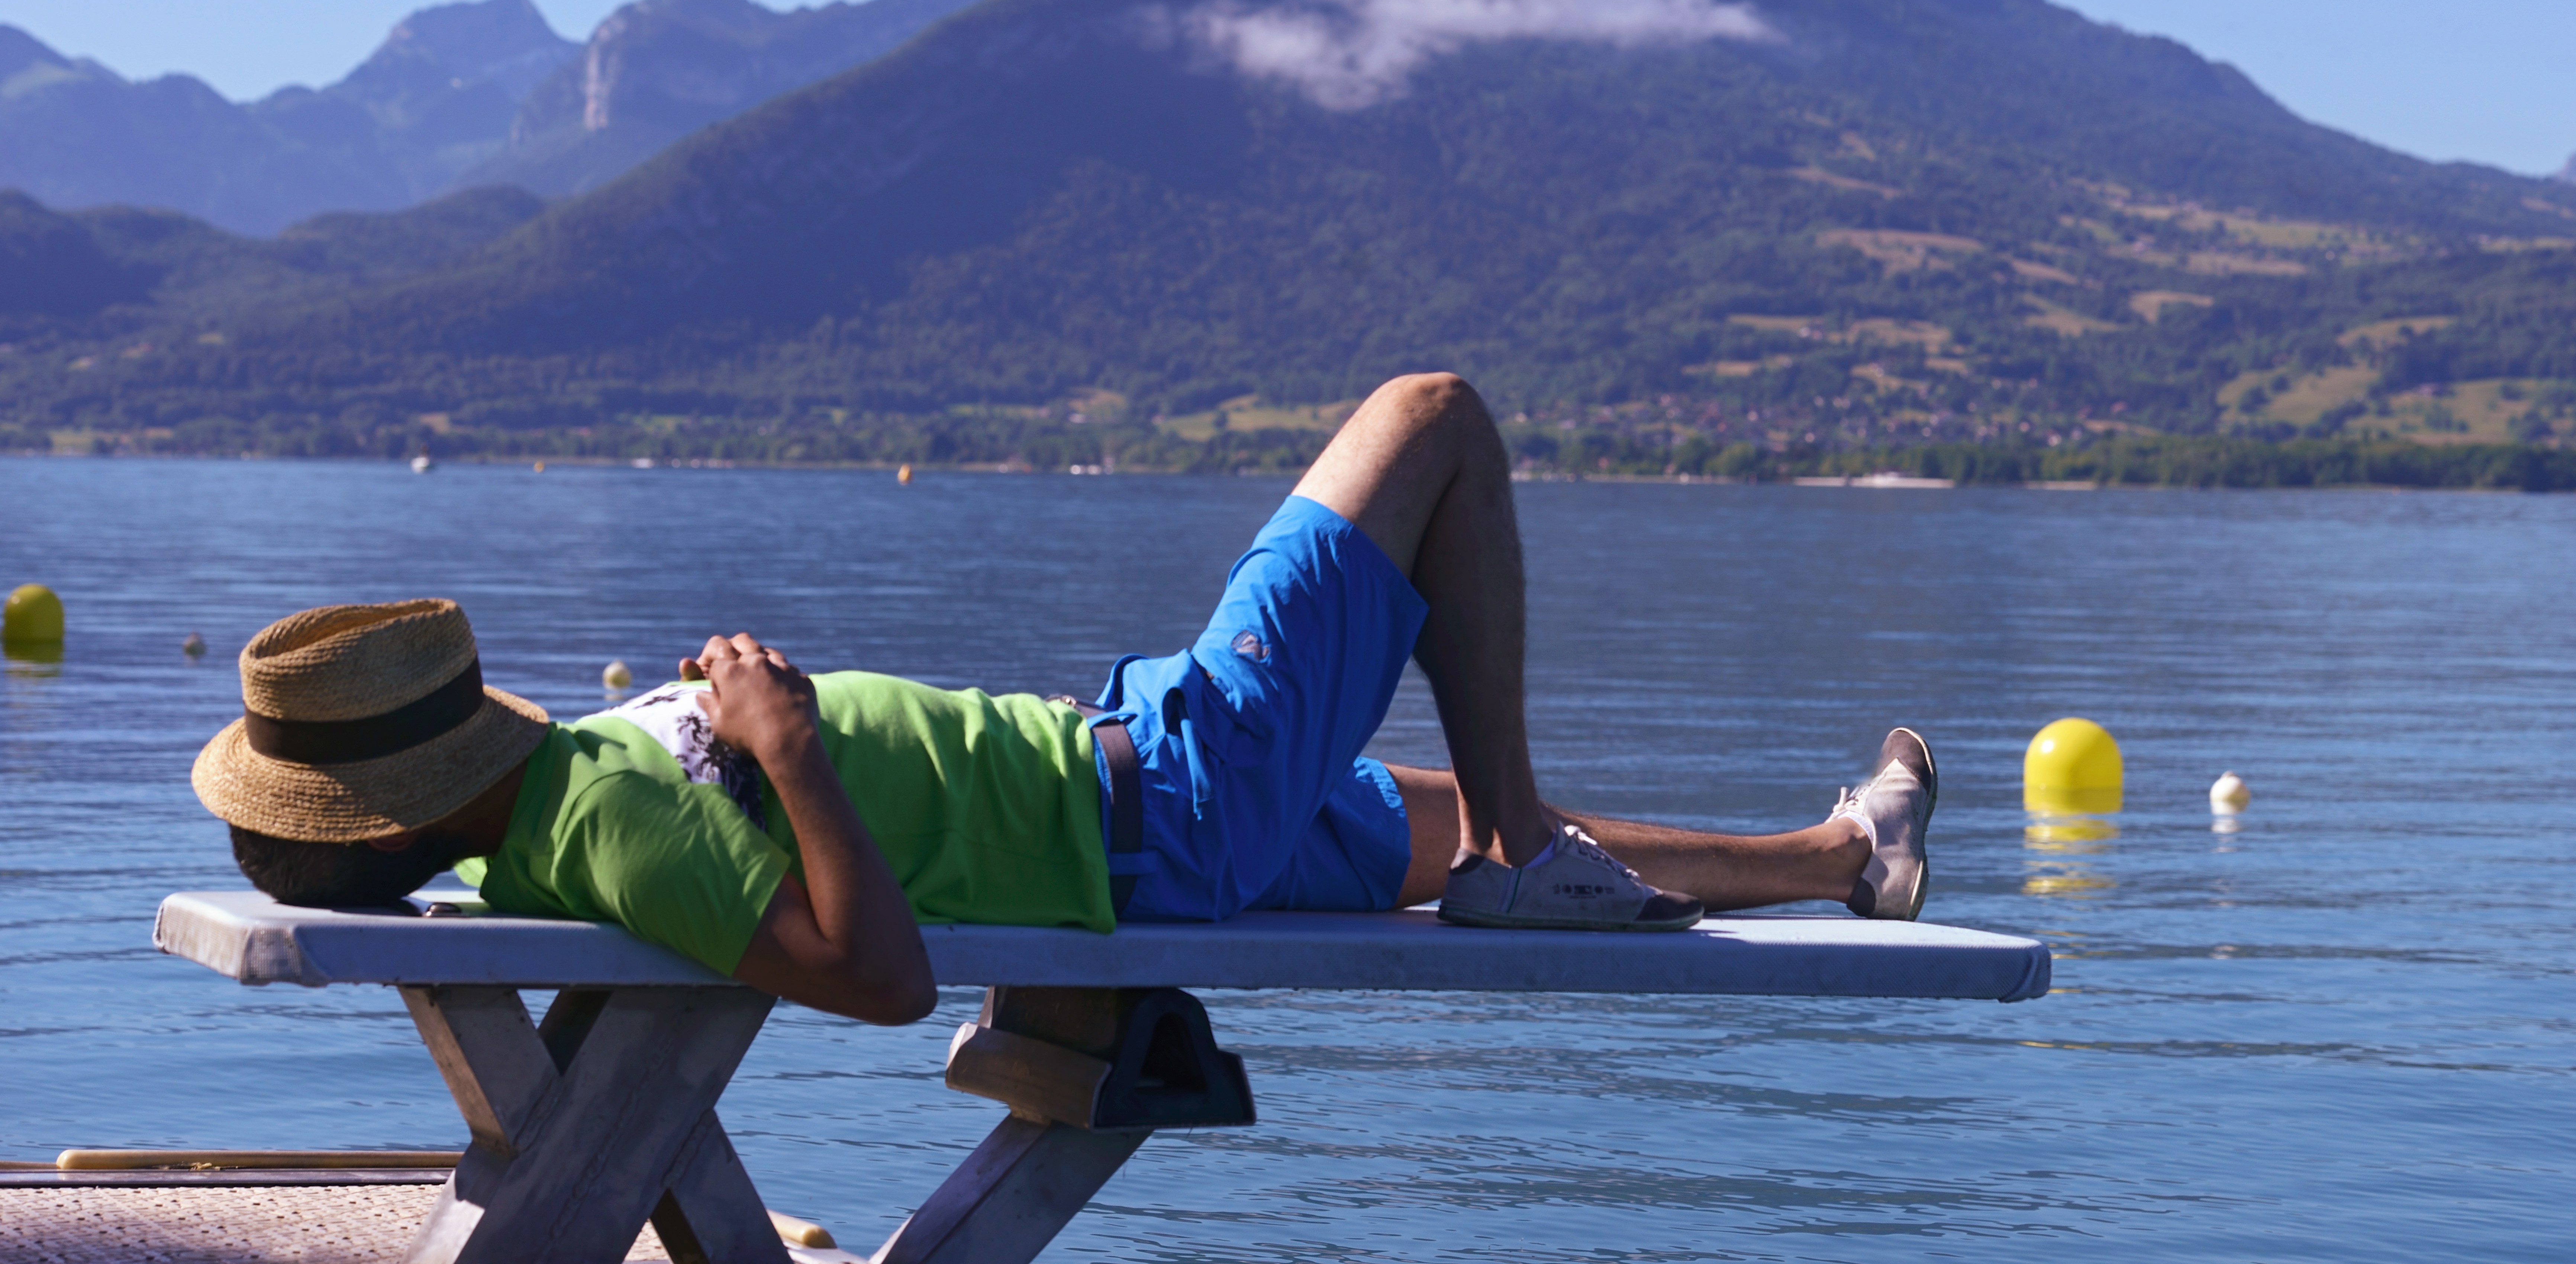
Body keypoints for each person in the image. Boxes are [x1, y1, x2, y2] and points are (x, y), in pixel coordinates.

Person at [194, 374, 1938, 1026]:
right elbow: (876, 980)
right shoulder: (605, 832)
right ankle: (1518, 834)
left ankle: (1834, 857)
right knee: (1434, 420)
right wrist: (791, 747)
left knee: (1433, 829)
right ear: (414, 785)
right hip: (1159, 809)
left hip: (1123, 778)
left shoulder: (550, 823)